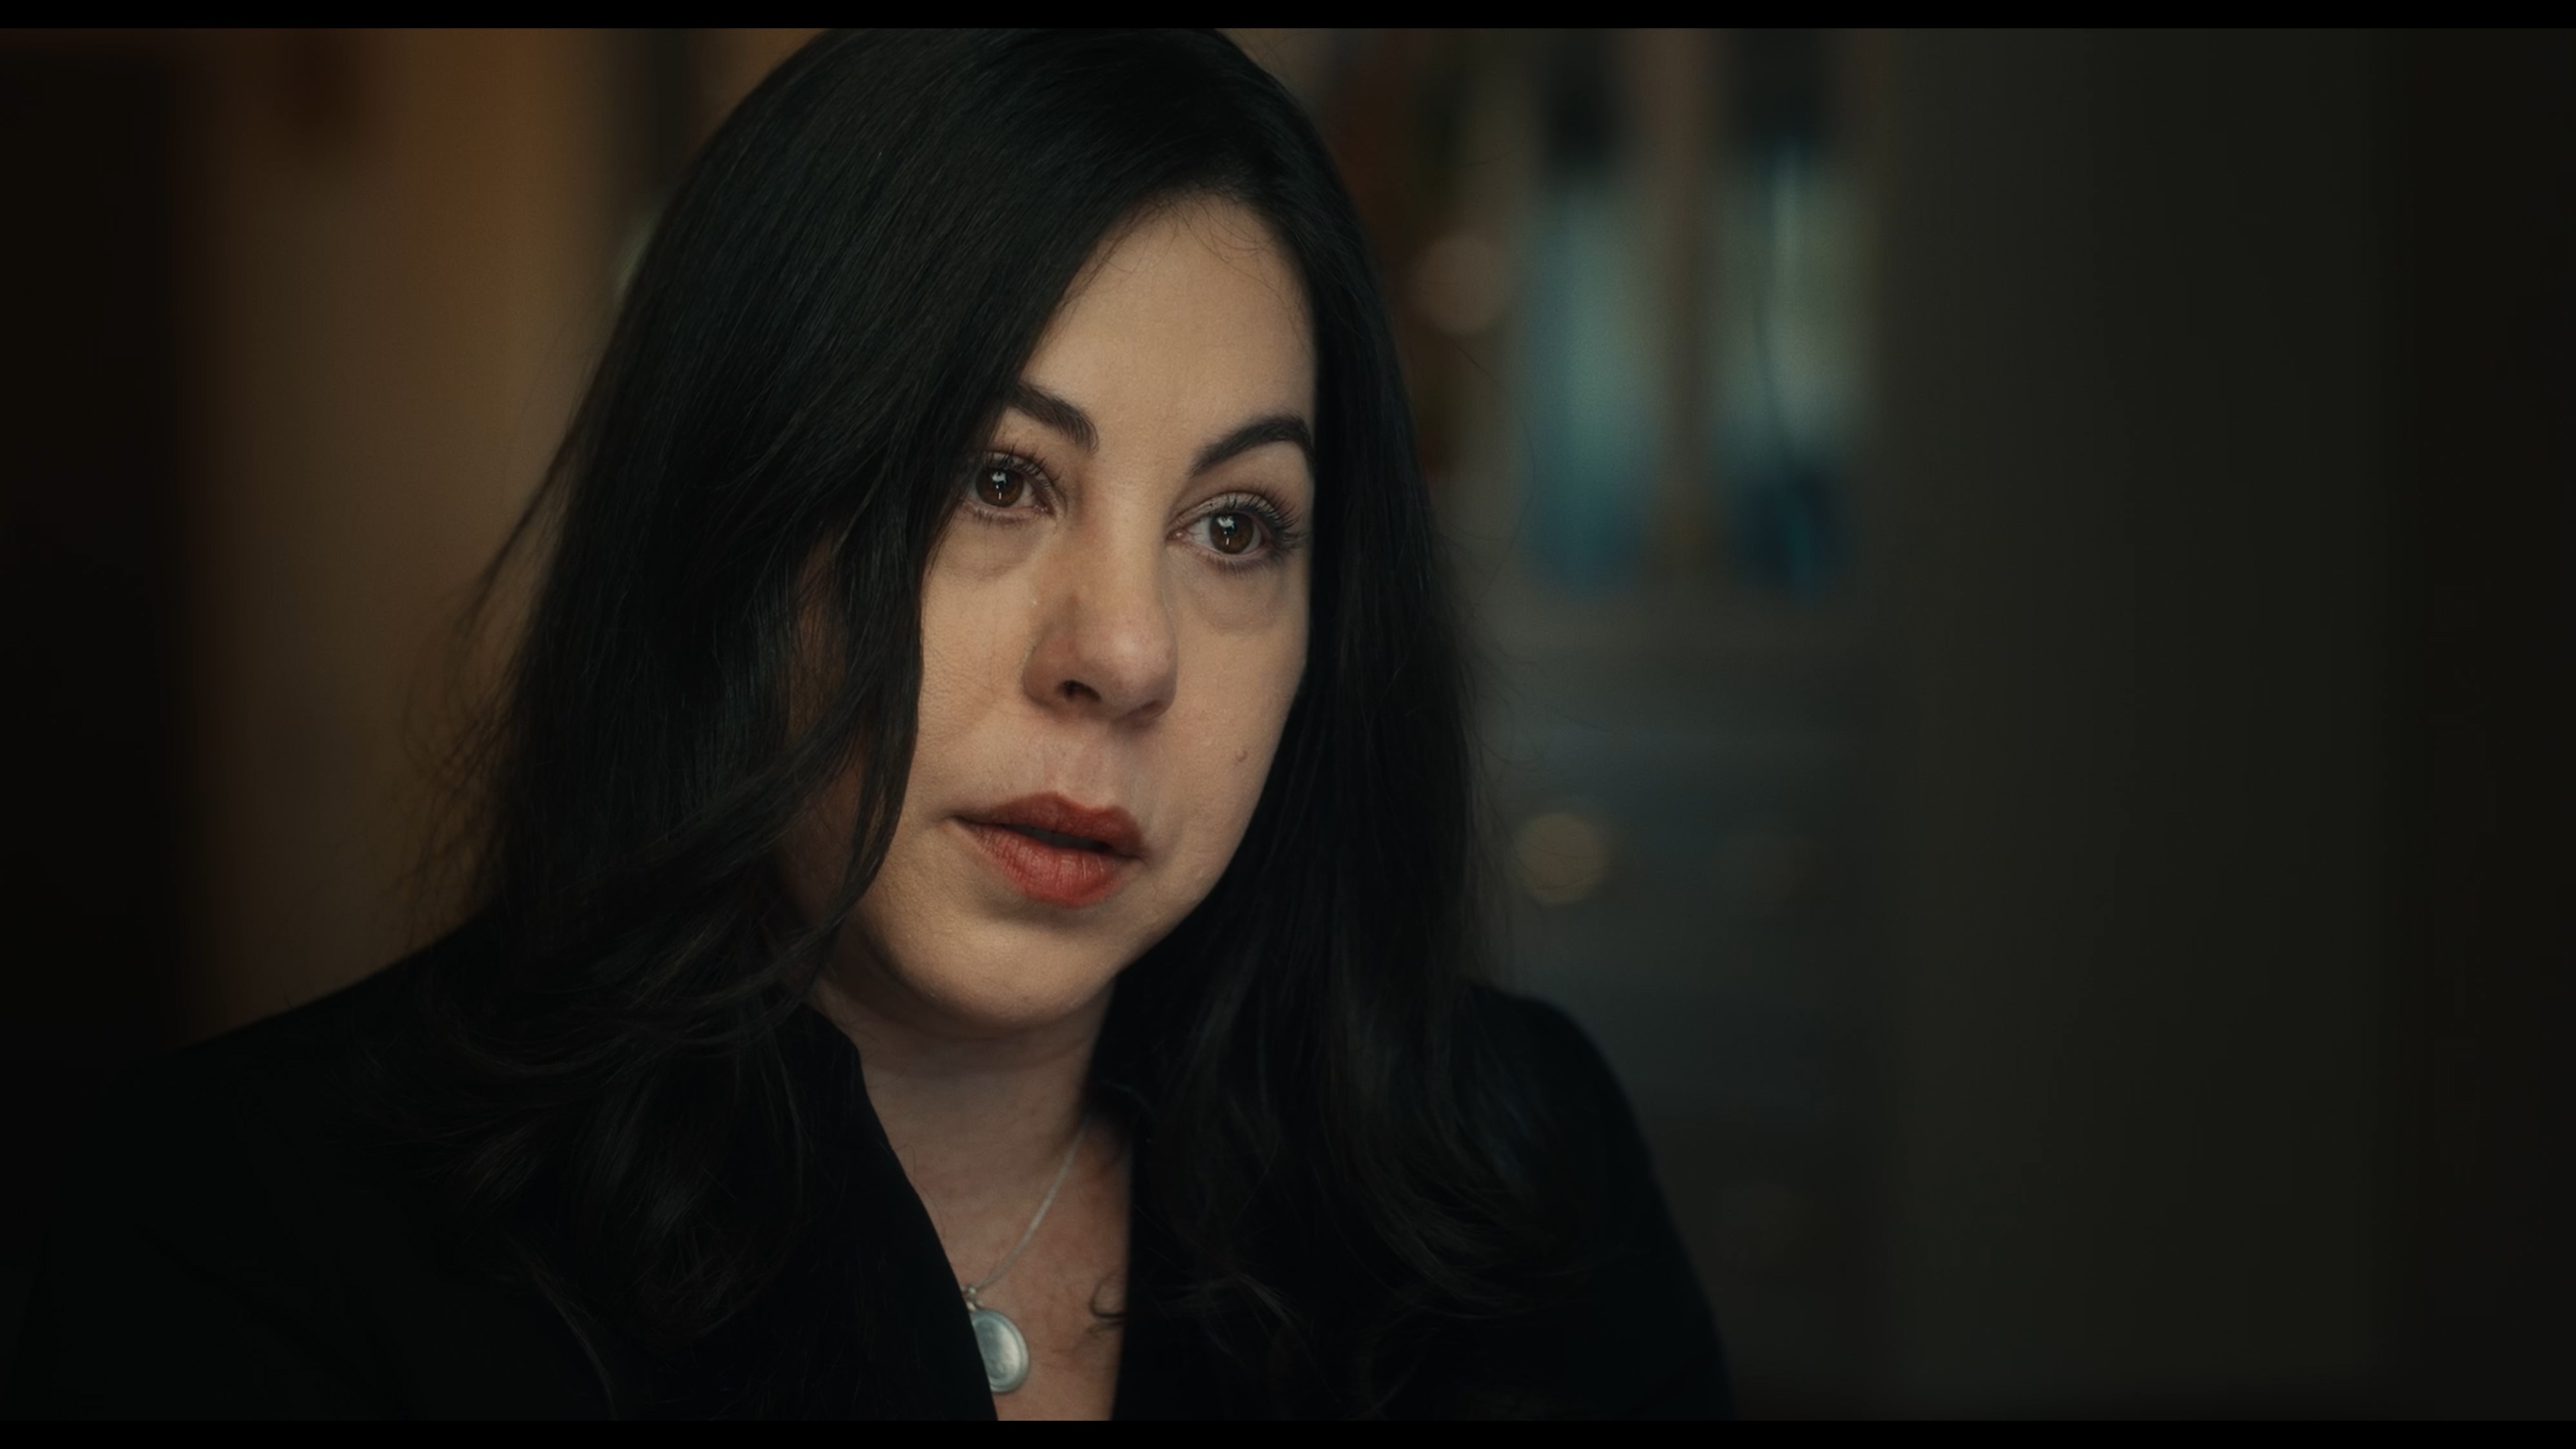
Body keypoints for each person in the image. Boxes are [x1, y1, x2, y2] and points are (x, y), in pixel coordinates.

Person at [9, 30, 1725, 1419]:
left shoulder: (1525, 1168)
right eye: (998, 480)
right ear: (737, 519)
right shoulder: (247, 1234)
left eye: (1235, 525)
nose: (1126, 653)